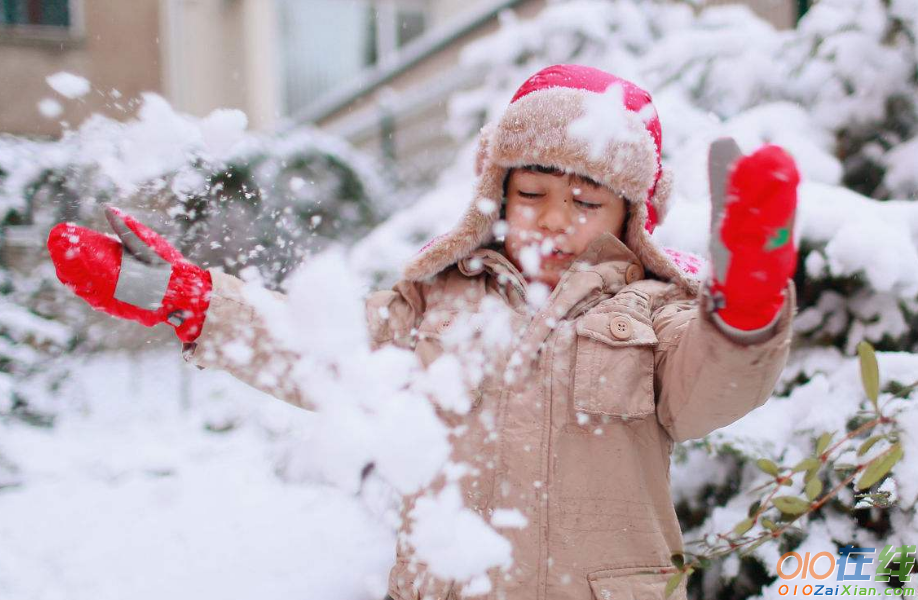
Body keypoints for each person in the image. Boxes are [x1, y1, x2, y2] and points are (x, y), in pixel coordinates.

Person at [47, 64, 799, 600]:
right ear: (495, 196)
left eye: (586, 200)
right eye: (531, 191)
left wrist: (745, 307)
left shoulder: (655, 316)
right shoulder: (435, 306)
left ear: (631, 216)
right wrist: (196, 299)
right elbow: (320, 351)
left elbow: (711, 390)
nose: (554, 217)